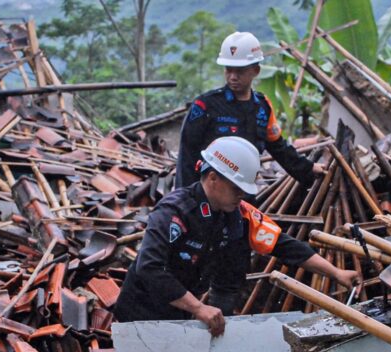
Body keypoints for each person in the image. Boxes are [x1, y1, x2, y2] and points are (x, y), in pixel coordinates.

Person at [114, 137, 357, 336]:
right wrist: (198, 308)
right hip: (141, 313)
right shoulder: (174, 212)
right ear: (213, 178)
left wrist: (337, 273)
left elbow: (284, 246)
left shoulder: (238, 214)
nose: (241, 195)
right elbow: (149, 268)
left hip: (180, 314)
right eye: (236, 188)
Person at [175, 31, 326, 191]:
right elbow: (187, 157)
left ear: (255, 71)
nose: (233, 77)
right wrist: (185, 199)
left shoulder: (263, 108)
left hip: (244, 195)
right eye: (228, 70)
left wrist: (309, 169)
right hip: (209, 195)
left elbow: (279, 148)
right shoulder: (205, 106)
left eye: (239, 71)